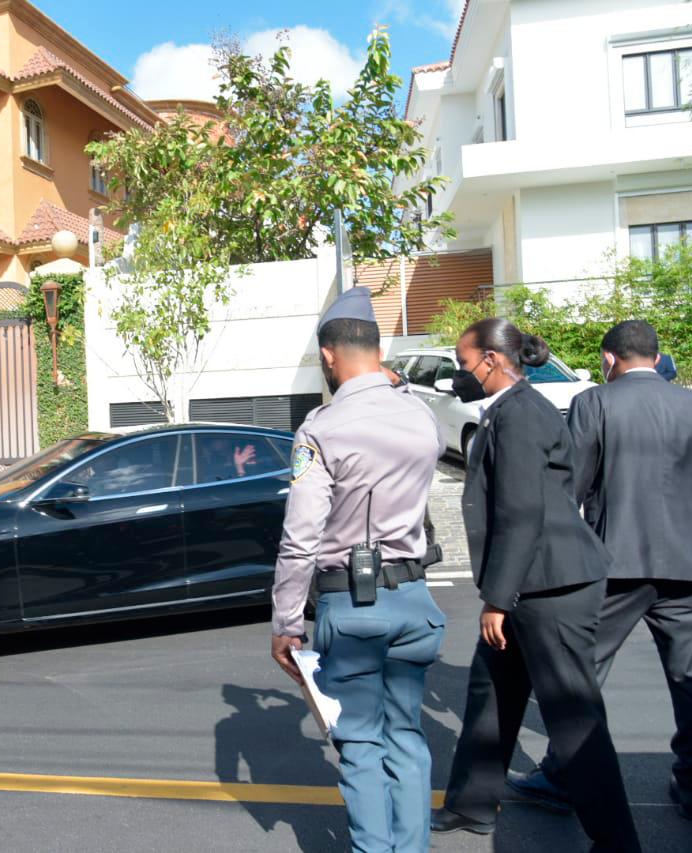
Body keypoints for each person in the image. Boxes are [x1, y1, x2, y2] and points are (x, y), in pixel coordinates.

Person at [507, 320, 692, 821]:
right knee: (690, 676)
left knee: (583, 671)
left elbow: (570, 483)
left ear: (609, 359)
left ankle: (565, 775)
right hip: (689, 565)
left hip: (615, 563)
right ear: (657, 359)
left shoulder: (596, 403)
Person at [430, 318, 642, 852]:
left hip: (551, 589)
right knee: (491, 694)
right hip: (531, 583)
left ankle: (617, 841)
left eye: (463, 362)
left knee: (573, 718)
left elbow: (523, 512)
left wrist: (497, 599)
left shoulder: (521, 414)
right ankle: (472, 805)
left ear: (493, 361)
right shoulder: (510, 409)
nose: (459, 372)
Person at [272, 286, 447, 853]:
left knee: (360, 744)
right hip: (416, 603)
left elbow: (300, 540)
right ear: (377, 349)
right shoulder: (422, 417)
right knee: (408, 738)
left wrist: (285, 622)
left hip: (352, 608)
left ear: (329, 355)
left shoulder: (322, 428)